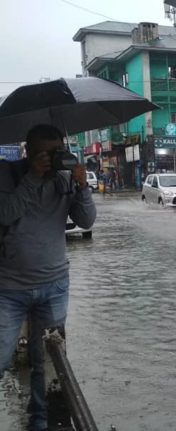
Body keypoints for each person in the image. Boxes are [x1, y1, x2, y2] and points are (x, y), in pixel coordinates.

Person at [0, 124, 97, 431]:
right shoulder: (8, 173)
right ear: (29, 151)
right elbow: (4, 214)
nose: (52, 159)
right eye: (45, 153)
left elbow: (86, 220)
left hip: (54, 285)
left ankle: (41, 423)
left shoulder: (66, 179)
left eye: (57, 151)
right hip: (8, 288)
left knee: (48, 364)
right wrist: (33, 177)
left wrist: (83, 188)